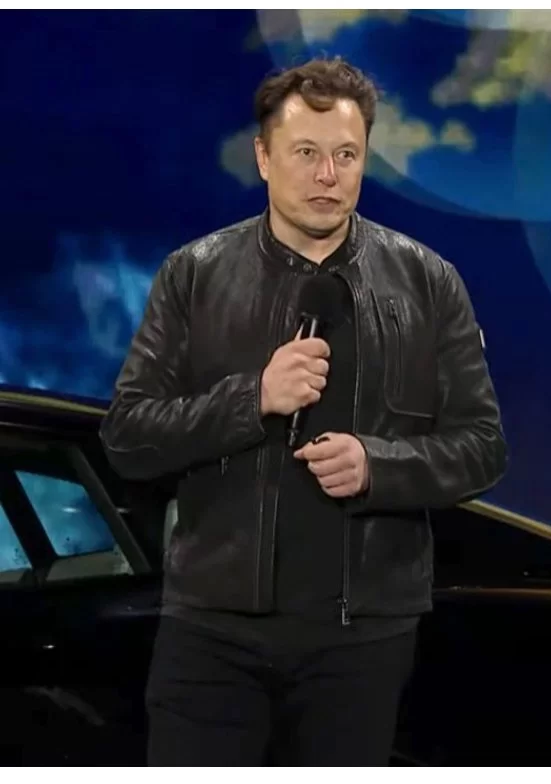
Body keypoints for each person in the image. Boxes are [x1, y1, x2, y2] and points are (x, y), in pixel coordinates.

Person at [99, 57, 508, 766]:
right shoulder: (193, 274)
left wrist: (379, 465)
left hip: (363, 643)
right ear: (264, 157)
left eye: (346, 155)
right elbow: (128, 438)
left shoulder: (429, 282)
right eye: (306, 153)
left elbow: (482, 447)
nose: (328, 175)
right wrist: (252, 398)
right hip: (213, 636)